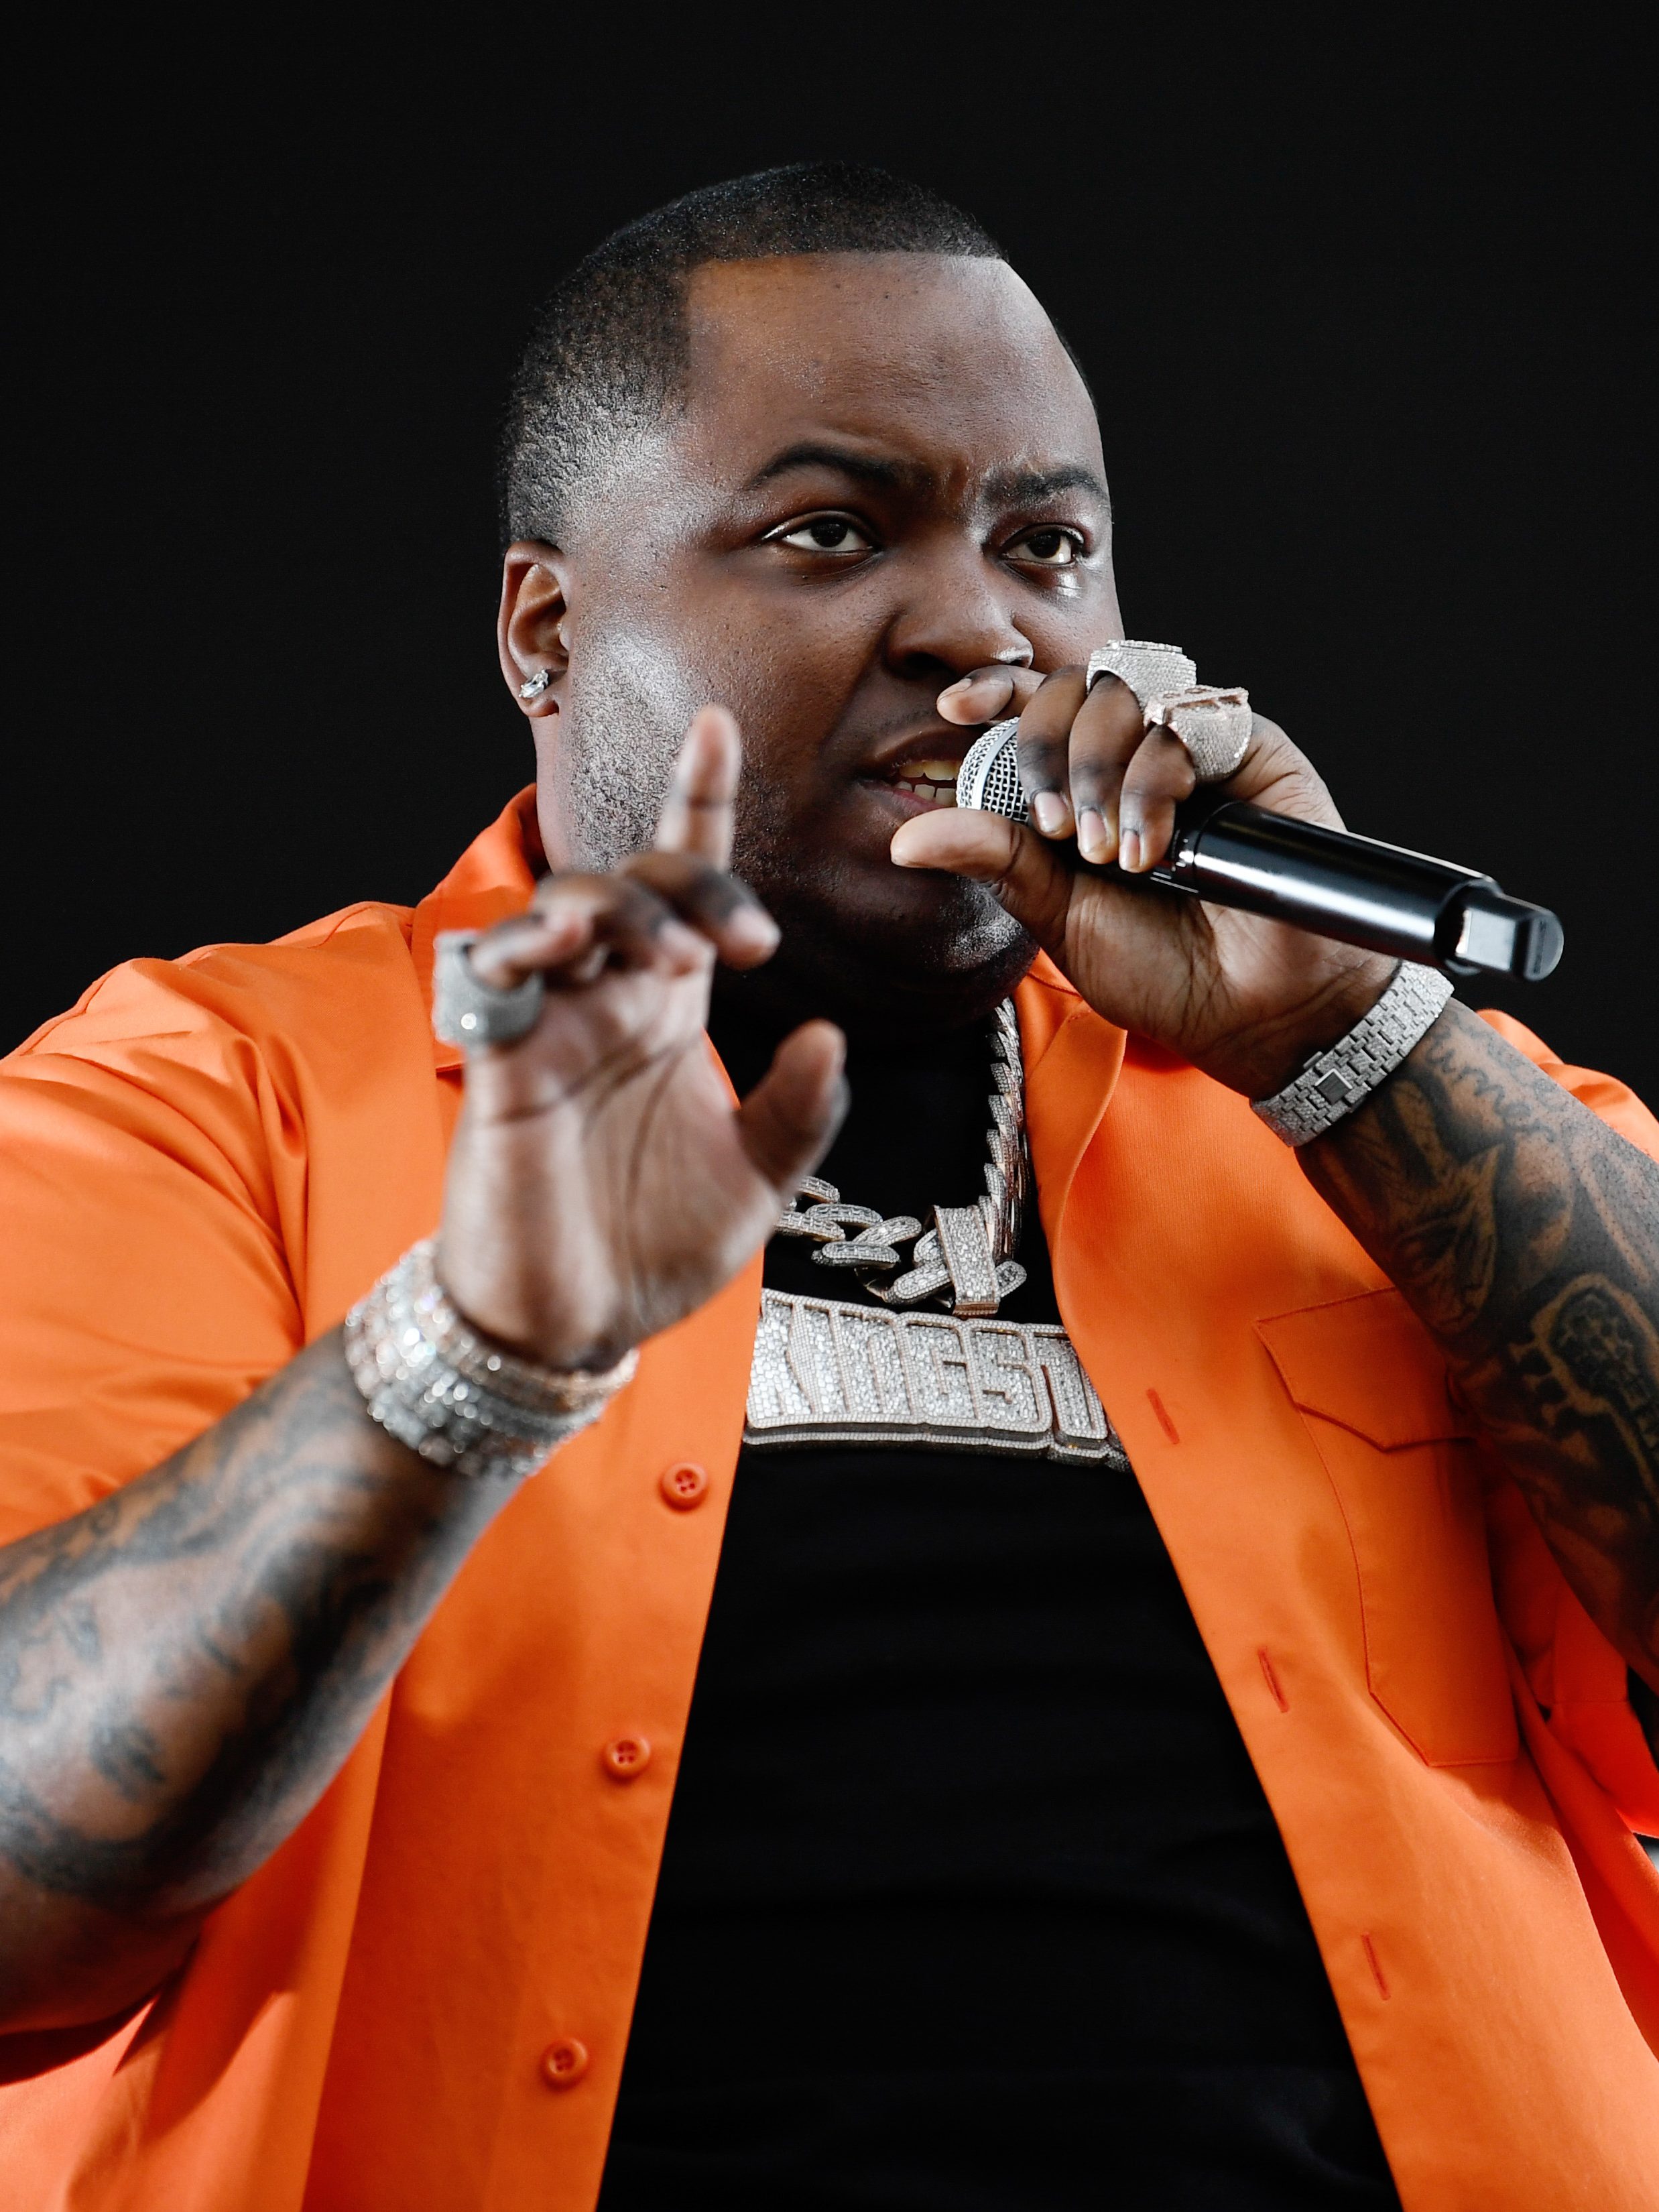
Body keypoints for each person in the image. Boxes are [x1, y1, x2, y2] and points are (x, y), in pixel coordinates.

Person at [0, 164, 1655, 2212]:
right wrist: (464, 1363)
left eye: (1047, 542)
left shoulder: (1353, 1100)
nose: (979, 623)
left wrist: (1354, 1042)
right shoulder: (203, 1095)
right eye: (828, 530)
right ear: (546, 627)